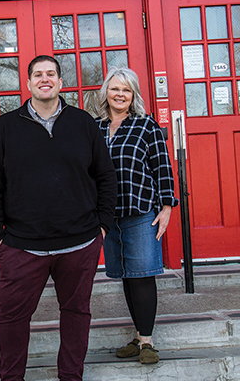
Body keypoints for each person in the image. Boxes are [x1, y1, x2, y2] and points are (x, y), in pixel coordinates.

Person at [0, 55, 117, 380]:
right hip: (22, 245)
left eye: (51, 74)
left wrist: (102, 227)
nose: (45, 79)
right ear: (28, 83)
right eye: (38, 74)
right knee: (12, 318)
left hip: (80, 242)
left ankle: (71, 376)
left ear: (60, 81)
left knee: (76, 312)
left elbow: (106, 177)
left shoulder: (83, 123)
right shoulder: (5, 127)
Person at [96, 67, 179, 364]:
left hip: (141, 210)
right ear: (106, 92)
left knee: (142, 276)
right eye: (115, 88)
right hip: (108, 216)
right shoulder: (95, 127)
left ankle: (148, 342)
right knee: (127, 278)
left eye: (126, 90)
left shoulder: (146, 126)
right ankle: (138, 336)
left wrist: (167, 206)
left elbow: (162, 167)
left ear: (133, 96)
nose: (120, 94)